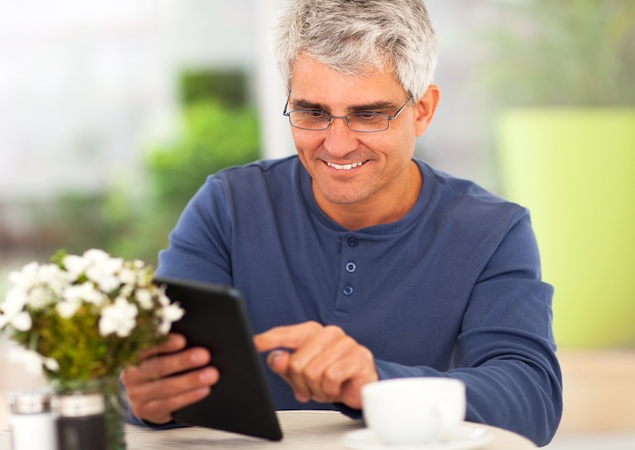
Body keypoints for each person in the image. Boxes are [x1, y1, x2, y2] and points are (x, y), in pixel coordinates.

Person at [121, 0, 562, 445]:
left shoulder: (491, 230)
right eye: (312, 112)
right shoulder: (228, 206)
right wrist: (144, 395)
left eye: (368, 114)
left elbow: (531, 397)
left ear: (423, 110)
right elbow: (151, 367)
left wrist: (375, 380)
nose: (337, 144)